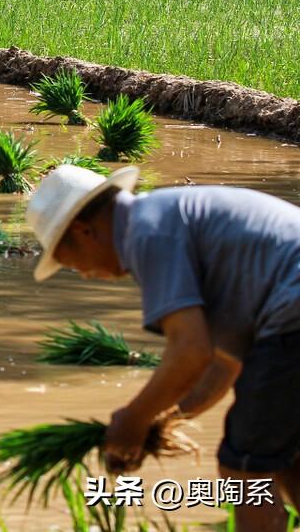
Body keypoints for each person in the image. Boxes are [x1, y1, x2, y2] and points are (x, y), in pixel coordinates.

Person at [27, 165, 300, 531]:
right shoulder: (165, 217)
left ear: (83, 231)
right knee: (283, 455)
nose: (83, 273)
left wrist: (133, 419)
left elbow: (190, 352)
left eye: (67, 262)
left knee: (243, 467)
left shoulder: (148, 232)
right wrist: (160, 422)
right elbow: (224, 367)